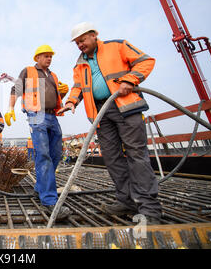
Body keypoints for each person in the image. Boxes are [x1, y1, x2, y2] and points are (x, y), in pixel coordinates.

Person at [59, 22, 162, 225]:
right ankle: (126, 201)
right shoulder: (80, 64)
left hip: (126, 107)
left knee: (136, 155)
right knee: (113, 158)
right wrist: (71, 101)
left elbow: (146, 61)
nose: (80, 44)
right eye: (77, 42)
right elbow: (78, 86)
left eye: (83, 40)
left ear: (94, 35)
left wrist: (130, 79)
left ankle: (149, 209)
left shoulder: (117, 46)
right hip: (101, 113)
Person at [4, 44, 71, 219]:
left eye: (51, 56)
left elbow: (53, 97)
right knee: (44, 155)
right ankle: (49, 201)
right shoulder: (28, 71)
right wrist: (10, 108)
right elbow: (15, 89)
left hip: (52, 116)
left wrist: (62, 94)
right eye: (46, 56)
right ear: (37, 58)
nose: (49, 58)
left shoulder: (53, 76)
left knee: (56, 154)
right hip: (36, 115)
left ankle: (40, 188)